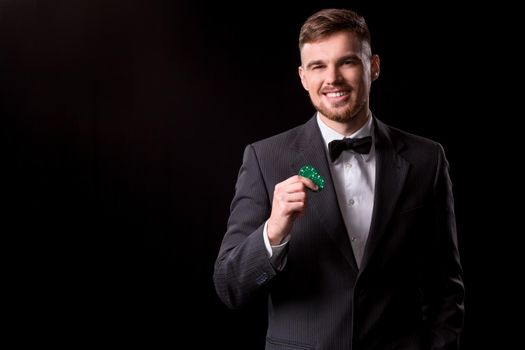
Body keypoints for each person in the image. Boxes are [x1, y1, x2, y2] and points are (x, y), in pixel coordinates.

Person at [213, 8, 464, 350]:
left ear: (373, 66)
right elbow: (230, 287)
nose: (332, 78)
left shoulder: (426, 159)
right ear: (303, 77)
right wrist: (273, 232)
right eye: (318, 66)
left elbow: (445, 286)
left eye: (346, 62)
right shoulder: (263, 159)